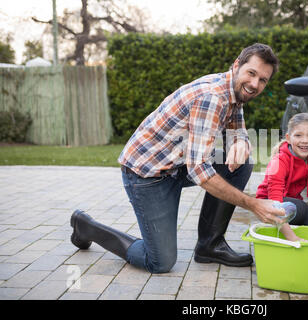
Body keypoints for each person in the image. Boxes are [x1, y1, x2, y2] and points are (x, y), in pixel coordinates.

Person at [69, 43, 286, 273]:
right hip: (147, 175)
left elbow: (236, 128)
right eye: (251, 73)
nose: (255, 84)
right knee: (160, 262)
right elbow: (200, 172)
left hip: (177, 165)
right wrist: (253, 204)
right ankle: (87, 227)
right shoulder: (212, 98)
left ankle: (209, 247)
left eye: (263, 80)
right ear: (236, 66)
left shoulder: (233, 90)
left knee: (241, 164)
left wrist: (241, 141)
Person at [256, 113, 308, 242]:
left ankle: (296, 237)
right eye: (298, 135)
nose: (305, 141)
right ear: (288, 138)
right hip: (268, 204)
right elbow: (275, 202)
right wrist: (293, 238)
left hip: (290, 205)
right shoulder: (279, 161)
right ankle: (283, 232)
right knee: (300, 208)